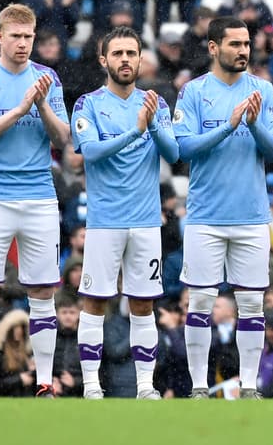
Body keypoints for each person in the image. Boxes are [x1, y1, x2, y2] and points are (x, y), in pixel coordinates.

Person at [0, 4, 71, 398]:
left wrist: (41, 105)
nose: (23, 43)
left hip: (39, 197)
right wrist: (20, 109)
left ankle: (44, 383)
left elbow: (63, 138)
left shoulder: (47, 78)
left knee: (42, 293)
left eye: (28, 37)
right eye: (16, 36)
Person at [174, 17, 273, 398]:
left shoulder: (263, 90)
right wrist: (229, 125)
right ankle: (199, 386)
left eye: (247, 44)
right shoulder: (193, 92)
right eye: (235, 44)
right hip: (205, 216)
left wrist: (253, 125)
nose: (243, 51)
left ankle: (250, 386)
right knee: (201, 301)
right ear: (213, 47)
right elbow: (183, 148)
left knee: (252, 303)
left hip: (251, 216)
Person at [70, 27, 179, 399]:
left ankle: (145, 386)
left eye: (131, 53)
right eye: (117, 53)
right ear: (104, 60)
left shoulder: (155, 103)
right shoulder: (87, 104)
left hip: (146, 220)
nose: (125, 60)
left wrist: (152, 125)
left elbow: (174, 154)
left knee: (143, 303)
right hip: (105, 221)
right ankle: (91, 385)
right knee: (95, 301)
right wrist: (136, 131)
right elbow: (91, 151)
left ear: (140, 58)